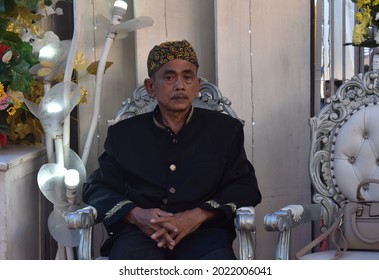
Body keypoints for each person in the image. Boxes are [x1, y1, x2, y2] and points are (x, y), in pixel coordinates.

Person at [82, 39, 262, 260]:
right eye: (169, 77)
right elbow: (96, 186)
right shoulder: (124, 134)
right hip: (139, 236)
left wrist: (198, 215)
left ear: (196, 85)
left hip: (204, 237)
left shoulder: (224, 130)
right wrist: (136, 215)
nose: (180, 85)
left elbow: (245, 186)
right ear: (151, 87)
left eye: (187, 77)